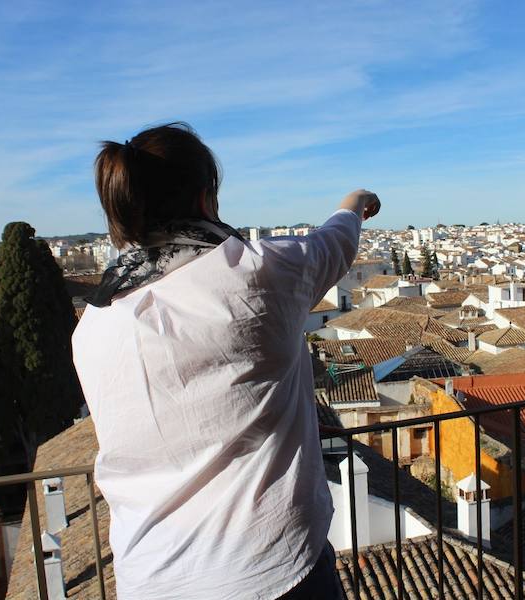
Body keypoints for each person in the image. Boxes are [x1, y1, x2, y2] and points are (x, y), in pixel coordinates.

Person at [72, 122, 380, 599]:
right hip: (271, 568)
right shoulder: (256, 273)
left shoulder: (92, 326)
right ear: (204, 198)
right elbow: (335, 241)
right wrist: (356, 201)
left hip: (148, 576)